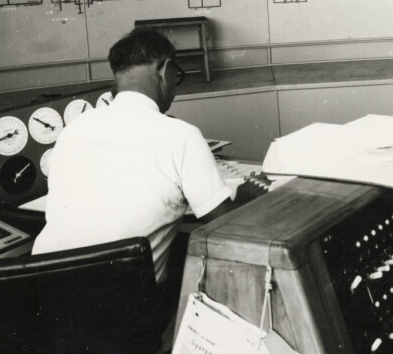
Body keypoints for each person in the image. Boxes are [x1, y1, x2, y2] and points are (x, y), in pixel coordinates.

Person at [33, 28, 239, 286]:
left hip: (46, 294)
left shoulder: (72, 129)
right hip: (128, 301)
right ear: (165, 70)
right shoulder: (182, 135)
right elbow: (226, 226)